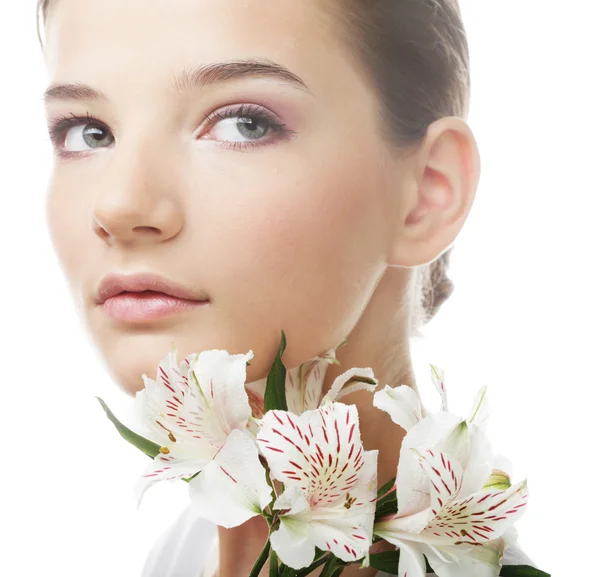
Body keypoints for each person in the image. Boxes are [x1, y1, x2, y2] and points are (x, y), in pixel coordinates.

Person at [35, 0, 539, 575]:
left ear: (426, 193)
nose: (119, 205)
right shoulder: (183, 549)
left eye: (243, 123)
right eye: (88, 132)